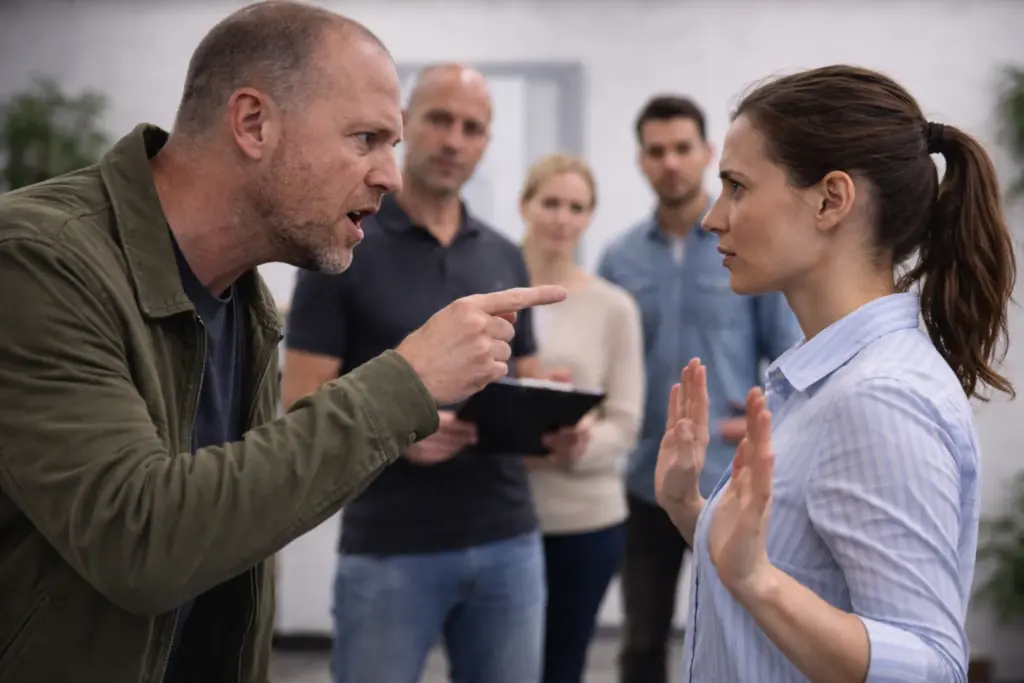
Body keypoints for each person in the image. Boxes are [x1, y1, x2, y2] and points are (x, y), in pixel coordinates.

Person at [0, 4, 567, 682]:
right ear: (253, 123)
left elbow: (234, 519)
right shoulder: (38, 260)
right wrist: (407, 382)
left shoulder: (243, 299)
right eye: (366, 138)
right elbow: (139, 539)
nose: (390, 173)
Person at [654, 64, 1017, 683]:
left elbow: (928, 665)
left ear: (831, 199)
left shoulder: (878, 398)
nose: (714, 216)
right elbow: (805, 577)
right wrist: (689, 508)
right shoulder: (825, 379)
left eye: (737, 186)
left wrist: (758, 582)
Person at [281, 64, 586, 683]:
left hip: (508, 540)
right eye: (440, 120)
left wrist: (552, 431)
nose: (454, 140)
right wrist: (400, 435)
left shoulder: (503, 253)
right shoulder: (342, 246)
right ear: (403, 128)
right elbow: (299, 405)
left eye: (472, 128)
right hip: (391, 546)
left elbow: (519, 385)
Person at [596, 94, 801, 683]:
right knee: (641, 642)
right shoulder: (620, 258)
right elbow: (610, 362)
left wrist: (766, 419)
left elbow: (787, 353)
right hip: (645, 483)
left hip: (729, 480)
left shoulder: (743, 250)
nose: (671, 162)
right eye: (656, 151)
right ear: (641, 160)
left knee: (740, 635)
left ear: (707, 154)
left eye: (682, 148)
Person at [517, 153, 645, 683]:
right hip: (499, 516)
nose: (562, 218)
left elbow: (625, 420)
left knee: (560, 667)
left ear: (590, 217)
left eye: (577, 207)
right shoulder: (490, 295)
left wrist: (580, 444)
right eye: (550, 203)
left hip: (585, 520)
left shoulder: (614, 307)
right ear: (525, 205)